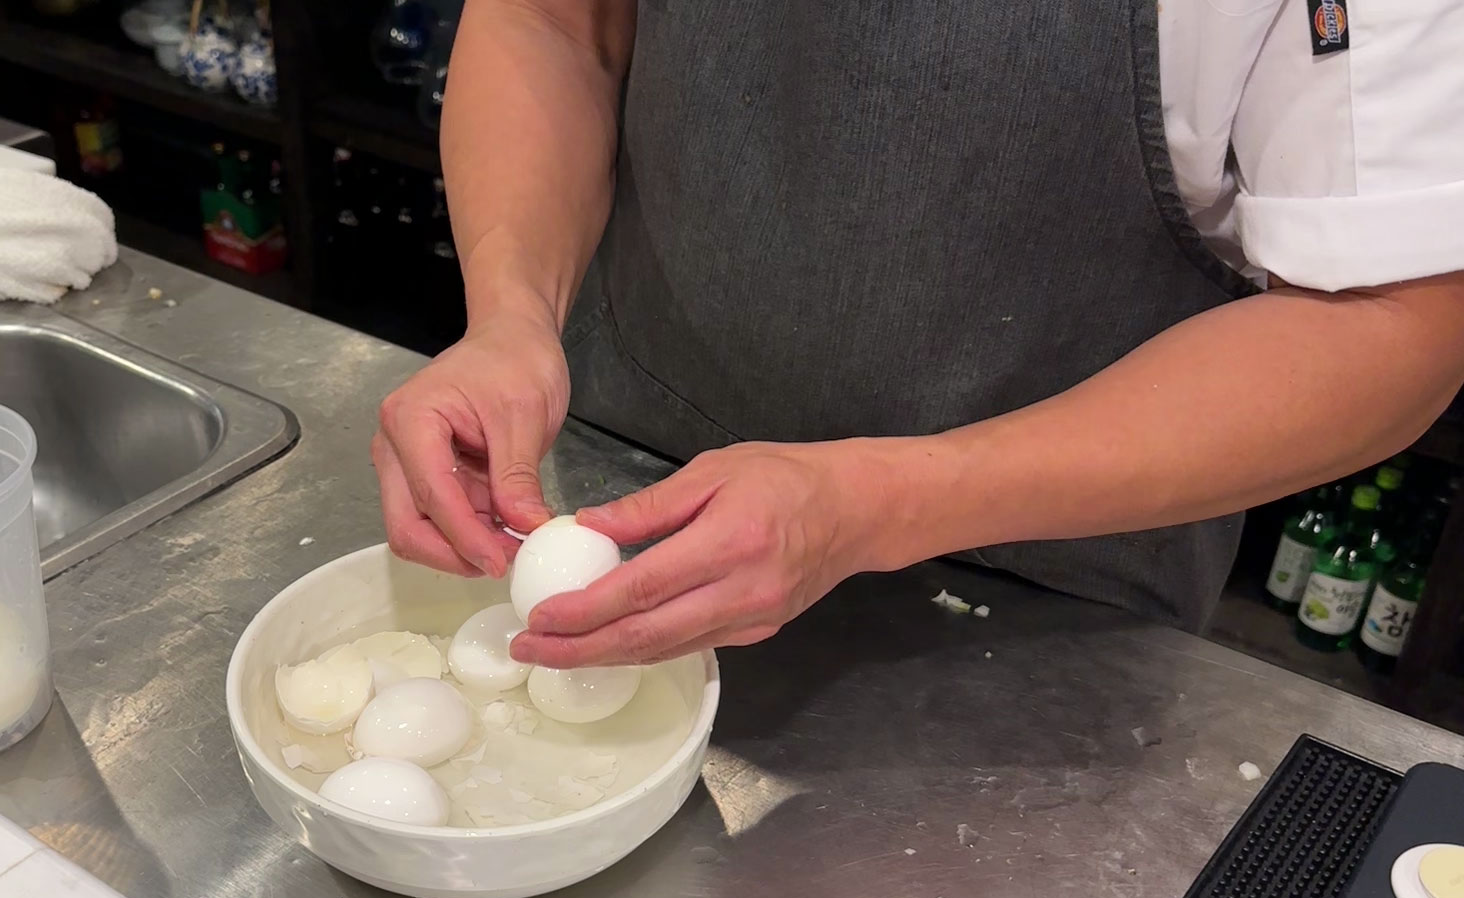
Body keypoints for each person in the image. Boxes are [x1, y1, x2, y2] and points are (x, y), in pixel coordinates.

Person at [373, 0, 1464, 669]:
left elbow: (1391, 321)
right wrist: (512, 317)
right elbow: (554, 21)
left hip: (1031, 606)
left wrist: (877, 502)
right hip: (624, 490)